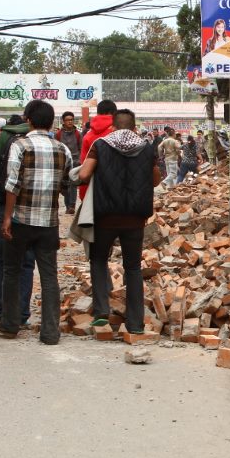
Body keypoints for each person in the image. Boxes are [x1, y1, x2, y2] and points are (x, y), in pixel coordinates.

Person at [0, 100, 72, 345]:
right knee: (48, 276)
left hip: (21, 220)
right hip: (48, 223)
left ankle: (10, 324)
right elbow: (66, 183)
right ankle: (50, 331)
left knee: (12, 271)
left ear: (28, 120)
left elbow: (12, 184)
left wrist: (6, 218)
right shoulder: (62, 149)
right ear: (51, 123)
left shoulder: (20, 145)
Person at [78, 109, 161, 335]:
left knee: (98, 260)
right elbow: (155, 179)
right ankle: (135, 324)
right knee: (133, 267)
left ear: (113, 126)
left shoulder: (101, 145)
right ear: (134, 127)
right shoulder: (146, 147)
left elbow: (84, 175)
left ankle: (102, 312)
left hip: (105, 215)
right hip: (135, 217)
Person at [0, 114, 36, 330]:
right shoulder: (37, 140)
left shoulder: (4, 138)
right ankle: (21, 314)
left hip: (2, 205)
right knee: (26, 263)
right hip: (30, 208)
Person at [79, 99, 116, 200]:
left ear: (98, 112)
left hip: (91, 189)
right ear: (114, 113)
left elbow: (83, 163)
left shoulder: (88, 135)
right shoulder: (118, 132)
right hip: (114, 189)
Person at [55, 111, 82, 214]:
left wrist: (79, 161)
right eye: (67, 120)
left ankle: (72, 206)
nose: (70, 122)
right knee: (65, 184)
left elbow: (81, 148)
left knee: (73, 185)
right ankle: (67, 205)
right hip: (63, 163)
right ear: (63, 121)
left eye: (71, 120)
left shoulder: (77, 134)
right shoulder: (58, 134)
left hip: (75, 163)